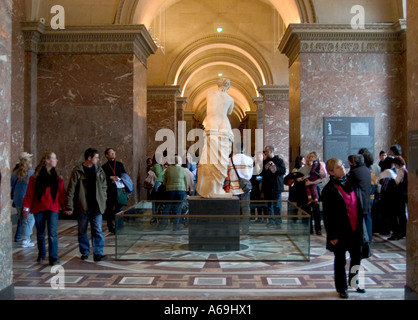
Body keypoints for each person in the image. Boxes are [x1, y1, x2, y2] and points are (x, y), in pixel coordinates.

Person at [322, 158, 366, 299]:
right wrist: (332, 236)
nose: (343, 169)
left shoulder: (351, 184)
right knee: (340, 260)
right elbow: (328, 216)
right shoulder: (328, 190)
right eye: (339, 167)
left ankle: (354, 282)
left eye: (342, 166)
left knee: (356, 258)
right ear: (331, 172)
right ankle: (342, 288)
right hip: (340, 231)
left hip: (356, 229)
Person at [22, 151, 67, 265]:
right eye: (54, 158)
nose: (56, 160)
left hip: (53, 207)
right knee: (40, 233)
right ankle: (41, 254)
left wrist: (65, 207)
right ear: (47, 160)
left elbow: (61, 193)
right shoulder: (35, 177)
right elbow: (30, 193)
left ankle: (53, 257)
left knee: (52, 233)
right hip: (39, 207)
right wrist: (26, 208)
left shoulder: (58, 177)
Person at [65, 148, 108, 262]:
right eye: (96, 157)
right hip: (83, 205)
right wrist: (69, 206)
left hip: (96, 205)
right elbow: (71, 189)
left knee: (97, 230)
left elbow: (104, 186)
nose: (98, 159)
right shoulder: (78, 171)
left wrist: (103, 199)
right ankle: (85, 252)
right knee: (82, 230)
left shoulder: (99, 170)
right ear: (89, 158)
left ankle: (98, 253)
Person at [196, 78, 234, 198]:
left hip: (211, 125)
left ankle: (212, 188)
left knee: (211, 159)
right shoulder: (230, 99)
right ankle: (216, 188)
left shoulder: (209, 94)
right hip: (224, 126)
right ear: (228, 86)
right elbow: (229, 111)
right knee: (221, 160)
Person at [228, 143, 254, 234]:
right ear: (244, 148)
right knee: (245, 210)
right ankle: (245, 230)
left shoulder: (230, 160)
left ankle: (234, 229)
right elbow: (250, 174)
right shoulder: (249, 160)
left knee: (234, 211)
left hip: (233, 189)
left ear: (235, 148)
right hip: (245, 188)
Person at [11, 152, 35, 248]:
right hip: (27, 200)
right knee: (29, 220)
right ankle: (26, 239)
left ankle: (19, 237)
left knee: (21, 218)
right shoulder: (31, 174)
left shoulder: (15, 173)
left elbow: (12, 184)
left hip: (17, 199)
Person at [102, 148, 128, 233]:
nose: (113, 154)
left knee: (118, 208)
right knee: (109, 209)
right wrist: (110, 177)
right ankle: (110, 226)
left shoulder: (119, 164)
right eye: (111, 152)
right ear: (106, 155)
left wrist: (120, 179)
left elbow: (124, 175)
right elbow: (103, 178)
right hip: (110, 189)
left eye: (114, 152)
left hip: (119, 189)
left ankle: (119, 226)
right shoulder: (104, 167)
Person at [159, 155, 188, 231]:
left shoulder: (168, 169)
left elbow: (164, 181)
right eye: (181, 161)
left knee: (167, 207)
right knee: (178, 208)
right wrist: (185, 188)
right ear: (178, 162)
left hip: (170, 190)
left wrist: (168, 186)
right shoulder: (182, 170)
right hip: (181, 190)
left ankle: (162, 225)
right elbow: (186, 181)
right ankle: (176, 226)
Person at [347, 154, 372, 243]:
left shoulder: (355, 171)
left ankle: (363, 240)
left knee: (360, 223)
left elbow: (349, 185)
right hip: (366, 198)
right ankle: (368, 238)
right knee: (367, 219)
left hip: (359, 199)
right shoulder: (366, 169)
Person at [261, 145, 286, 228]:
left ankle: (278, 221)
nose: (265, 153)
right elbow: (261, 174)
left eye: (266, 151)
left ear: (271, 151)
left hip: (276, 186)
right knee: (269, 205)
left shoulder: (279, 161)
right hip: (267, 187)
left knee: (277, 205)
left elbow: (283, 171)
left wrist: (275, 168)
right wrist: (265, 168)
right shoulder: (264, 162)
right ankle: (271, 220)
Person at [378, 157, 397, 237]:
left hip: (385, 196)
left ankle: (385, 229)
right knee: (389, 214)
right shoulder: (389, 172)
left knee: (386, 214)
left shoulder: (385, 171)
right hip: (389, 196)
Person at [391, 156, 408, 240]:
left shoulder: (402, 171)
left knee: (400, 213)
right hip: (403, 194)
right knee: (402, 213)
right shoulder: (405, 169)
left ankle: (402, 231)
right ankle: (403, 231)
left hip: (400, 195)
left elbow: (397, 181)